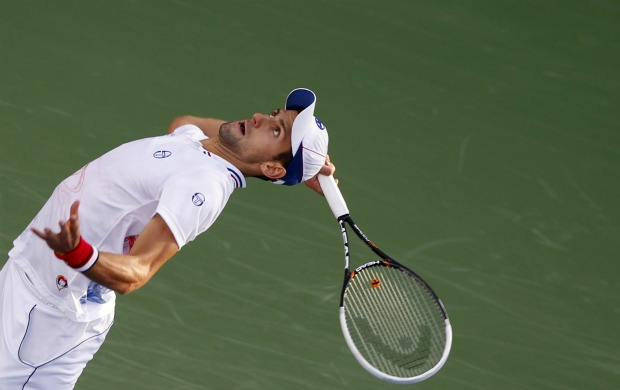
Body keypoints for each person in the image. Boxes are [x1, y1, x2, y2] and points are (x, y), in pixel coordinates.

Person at [0, 88, 335, 389]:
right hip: (25, 276)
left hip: (49, 318)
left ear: (273, 169)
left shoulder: (204, 184)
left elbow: (138, 271)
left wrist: (78, 253)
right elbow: (185, 121)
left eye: (276, 130)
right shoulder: (196, 143)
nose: (261, 117)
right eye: (274, 114)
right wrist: (295, 169)